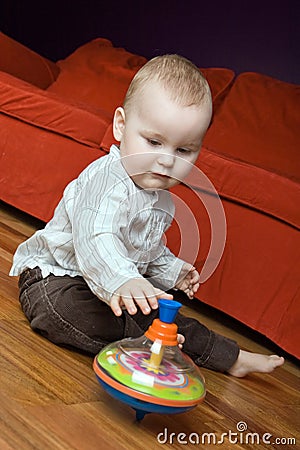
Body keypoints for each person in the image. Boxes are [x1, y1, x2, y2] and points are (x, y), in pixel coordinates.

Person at [10, 54, 284, 377]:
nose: (166, 161)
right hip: (53, 280)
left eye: (183, 150)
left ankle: (227, 356)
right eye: (153, 141)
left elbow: (146, 251)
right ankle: (157, 344)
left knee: (160, 312)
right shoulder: (108, 180)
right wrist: (122, 280)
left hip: (111, 290)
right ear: (121, 126)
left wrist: (172, 271)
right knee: (72, 312)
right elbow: (96, 237)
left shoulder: (161, 201)